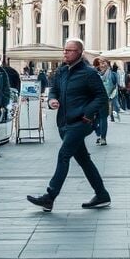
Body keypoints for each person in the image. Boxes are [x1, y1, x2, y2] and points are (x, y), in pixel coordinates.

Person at [27, 39, 110, 211]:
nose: (65, 53)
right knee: (84, 160)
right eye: (64, 50)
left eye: (70, 50)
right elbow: (54, 90)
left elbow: (101, 97)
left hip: (80, 122)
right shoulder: (62, 71)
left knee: (63, 155)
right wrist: (52, 100)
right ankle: (102, 194)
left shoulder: (89, 73)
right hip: (64, 122)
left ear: (79, 52)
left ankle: (50, 196)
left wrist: (88, 114)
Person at [93, 57, 117, 145]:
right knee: (93, 119)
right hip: (94, 99)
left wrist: (111, 98)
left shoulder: (113, 74)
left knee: (103, 118)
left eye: (104, 62)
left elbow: (115, 88)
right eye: (100, 63)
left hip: (105, 99)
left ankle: (103, 138)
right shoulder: (94, 73)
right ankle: (99, 133)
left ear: (108, 63)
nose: (102, 64)